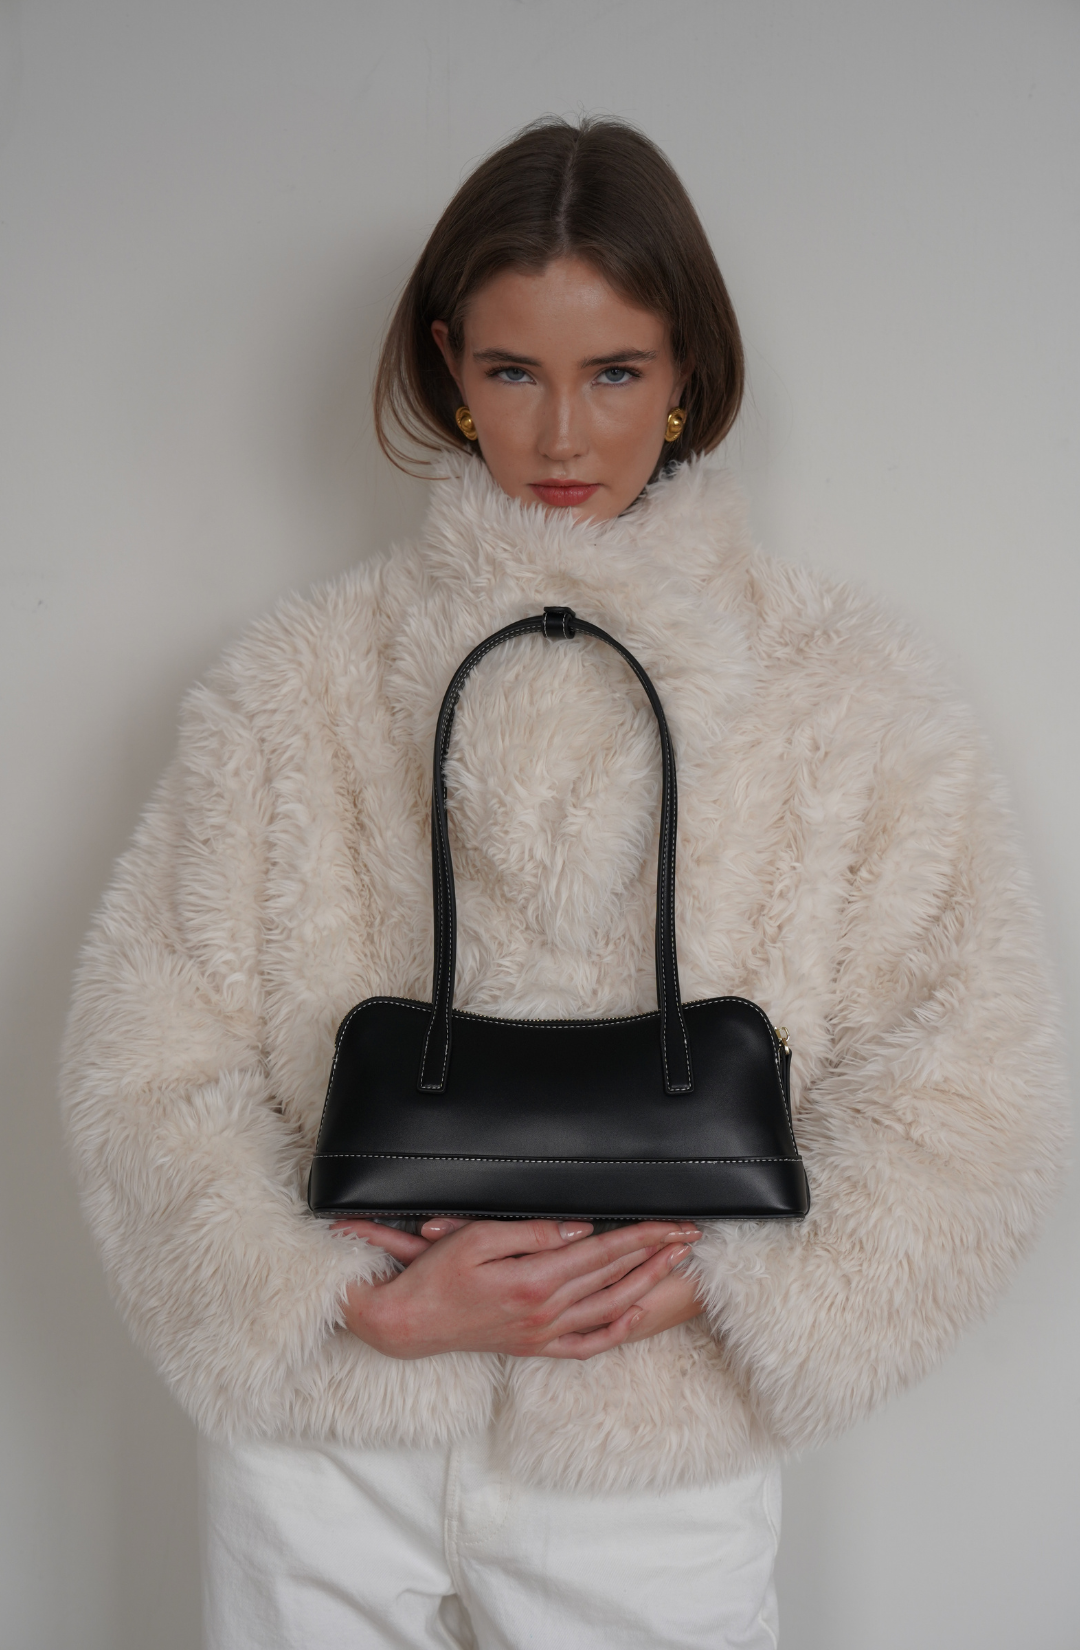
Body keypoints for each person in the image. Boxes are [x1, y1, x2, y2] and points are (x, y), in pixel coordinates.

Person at [61, 117, 1067, 1650]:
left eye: (616, 372)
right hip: (333, 1441)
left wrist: (715, 1287)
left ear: (687, 373)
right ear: (450, 367)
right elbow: (145, 1052)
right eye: (514, 371)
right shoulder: (299, 681)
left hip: (650, 1447)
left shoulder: (851, 695)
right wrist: (345, 1304)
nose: (562, 438)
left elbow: (975, 1083)